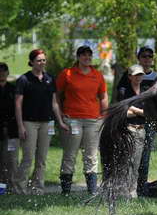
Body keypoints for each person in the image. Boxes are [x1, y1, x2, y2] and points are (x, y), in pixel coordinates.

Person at [13, 50, 67, 195]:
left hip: (47, 123)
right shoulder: (24, 80)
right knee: (28, 157)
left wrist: (60, 122)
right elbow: (18, 105)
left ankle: (38, 188)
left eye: (43, 60)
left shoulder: (50, 79)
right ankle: (19, 188)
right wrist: (20, 126)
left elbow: (54, 103)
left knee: (42, 159)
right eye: (38, 60)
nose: (42, 63)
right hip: (29, 123)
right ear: (31, 62)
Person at [56, 46, 108, 195]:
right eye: (84, 55)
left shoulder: (97, 75)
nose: (87, 58)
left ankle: (92, 191)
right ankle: (66, 191)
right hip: (72, 119)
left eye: (89, 55)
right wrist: (60, 115)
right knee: (70, 155)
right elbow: (57, 95)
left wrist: (103, 115)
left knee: (91, 155)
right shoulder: (67, 74)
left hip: (93, 120)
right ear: (78, 57)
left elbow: (103, 96)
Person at [115, 46, 157, 196]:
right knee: (127, 157)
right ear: (139, 58)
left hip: (149, 124)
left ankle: (140, 189)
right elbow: (121, 101)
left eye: (150, 57)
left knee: (143, 159)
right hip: (130, 123)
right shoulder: (128, 76)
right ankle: (125, 189)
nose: (147, 59)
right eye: (144, 56)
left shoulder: (156, 77)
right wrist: (139, 112)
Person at [117, 64, 147, 198]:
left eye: (140, 74)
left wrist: (132, 108)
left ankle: (132, 191)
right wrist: (139, 112)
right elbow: (123, 113)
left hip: (141, 130)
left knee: (136, 162)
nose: (138, 77)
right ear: (129, 76)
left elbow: (149, 113)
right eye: (135, 75)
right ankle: (123, 191)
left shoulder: (145, 90)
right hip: (128, 129)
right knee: (126, 161)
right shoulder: (123, 91)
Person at [0, 62, 18, 192]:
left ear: (7, 73)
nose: (2, 73)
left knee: (11, 159)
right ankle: (1, 187)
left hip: (12, 130)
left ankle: (11, 185)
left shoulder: (14, 89)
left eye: (4, 71)